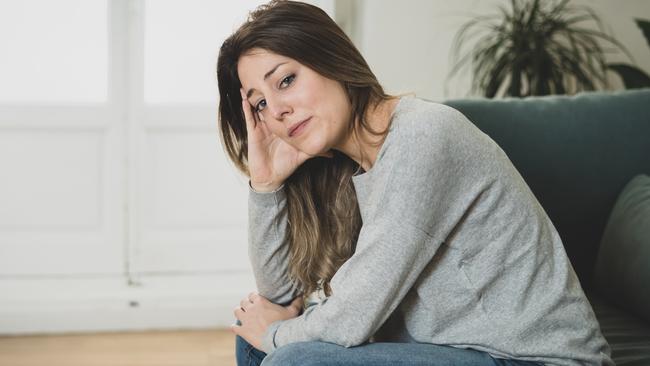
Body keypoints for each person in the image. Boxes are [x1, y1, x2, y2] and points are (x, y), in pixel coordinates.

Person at [216, 1, 613, 365]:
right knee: (255, 338)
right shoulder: (347, 166)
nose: (278, 110)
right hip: (453, 348)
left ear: (331, 59)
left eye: (285, 80)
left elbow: (350, 319)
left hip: (530, 358)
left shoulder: (424, 135)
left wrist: (276, 335)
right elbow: (281, 297)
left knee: (291, 358)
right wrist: (266, 186)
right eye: (260, 104)